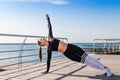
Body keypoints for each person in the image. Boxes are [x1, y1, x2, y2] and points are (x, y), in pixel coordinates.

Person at [37, 14, 112, 77]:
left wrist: (48, 19)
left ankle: (105, 68)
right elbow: (48, 60)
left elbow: (49, 27)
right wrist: (47, 70)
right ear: (42, 44)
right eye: (41, 39)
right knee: (86, 62)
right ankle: (103, 69)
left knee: (88, 58)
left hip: (71, 48)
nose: (42, 38)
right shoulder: (49, 49)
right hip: (68, 54)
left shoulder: (50, 37)